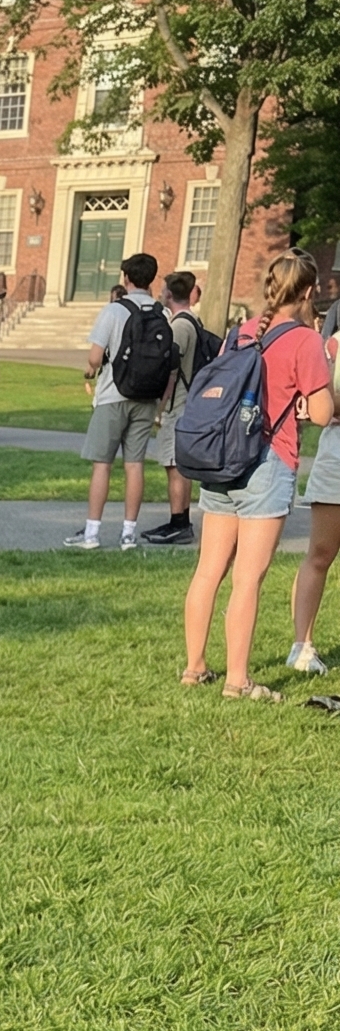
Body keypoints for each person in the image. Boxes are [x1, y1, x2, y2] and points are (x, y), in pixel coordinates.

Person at [182, 248, 332, 700]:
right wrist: (306, 405)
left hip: (223, 457)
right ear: (308, 291)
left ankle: (194, 667)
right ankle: (238, 680)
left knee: (208, 570)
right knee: (249, 577)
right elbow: (324, 413)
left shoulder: (242, 332)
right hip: (268, 462)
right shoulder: (305, 340)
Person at [65, 252, 165, 549]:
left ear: (126, 278)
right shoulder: (162, 313)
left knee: (102, 464)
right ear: (152, 279)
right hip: (146, 396)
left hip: (113, 393)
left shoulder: (114, 311)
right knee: (135, 465)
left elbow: (94, 357)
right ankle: (128, 533)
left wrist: (94, 366)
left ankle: (93, 533)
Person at [287, 286, 340, 673]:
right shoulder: (334, 346)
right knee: (320, 553)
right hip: (337, 456)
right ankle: (301, 646)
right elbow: (320, 404)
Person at [139, 270, 206, 549]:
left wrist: (161, 407)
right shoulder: (193, 320)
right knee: (177, 465)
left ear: (169, 293)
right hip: (188, 402)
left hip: (179, 404)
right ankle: (179, 521)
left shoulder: (179, 326)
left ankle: (179, 523)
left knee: (173, 465)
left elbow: (171, 370)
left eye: (163, 288)